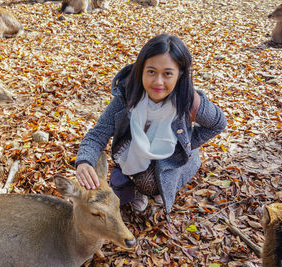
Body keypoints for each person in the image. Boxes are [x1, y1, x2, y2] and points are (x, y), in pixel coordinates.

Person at [75, 34, 227, 213]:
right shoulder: (128, 94)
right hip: (137, 149)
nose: (158, 82)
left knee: (150, 182)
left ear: (180, 75)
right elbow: (98, 133)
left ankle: (154, 188)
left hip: (171, 154)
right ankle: (133, 181)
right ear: (141, 70)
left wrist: (186, 145)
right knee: (125, 155)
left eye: (168, 74)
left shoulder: (189, 101)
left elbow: (218, 124)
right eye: (151, 71)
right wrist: (84, 161)